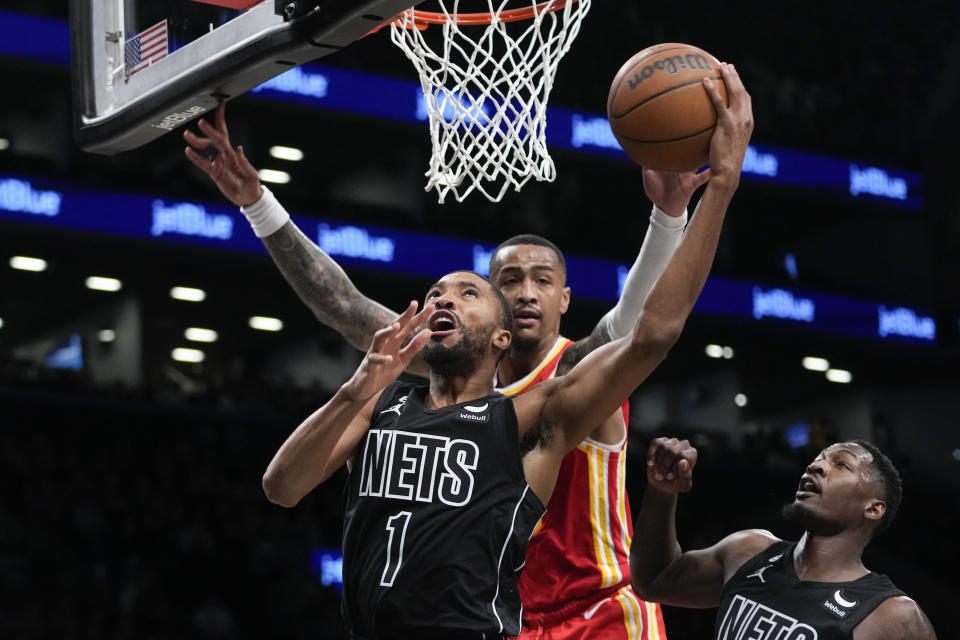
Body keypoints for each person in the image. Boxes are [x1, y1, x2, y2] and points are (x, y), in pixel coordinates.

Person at [184, 65, 746, 639]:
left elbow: (643, 327)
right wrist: (258, 203)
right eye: (504, 281)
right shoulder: (411, 381)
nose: (525, 292)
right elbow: (343, 306)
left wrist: (674, 213)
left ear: (564, 300)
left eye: (542, 280)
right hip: (505, 612)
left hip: (597, 611)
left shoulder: (564, 382)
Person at [630, 437, 938, 639]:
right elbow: (652, 581)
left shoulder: (890, 615)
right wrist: (662, 492)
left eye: (841, 464)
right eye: (818, 458)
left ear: (873, 508)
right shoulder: (748, 551)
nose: (815, 465)